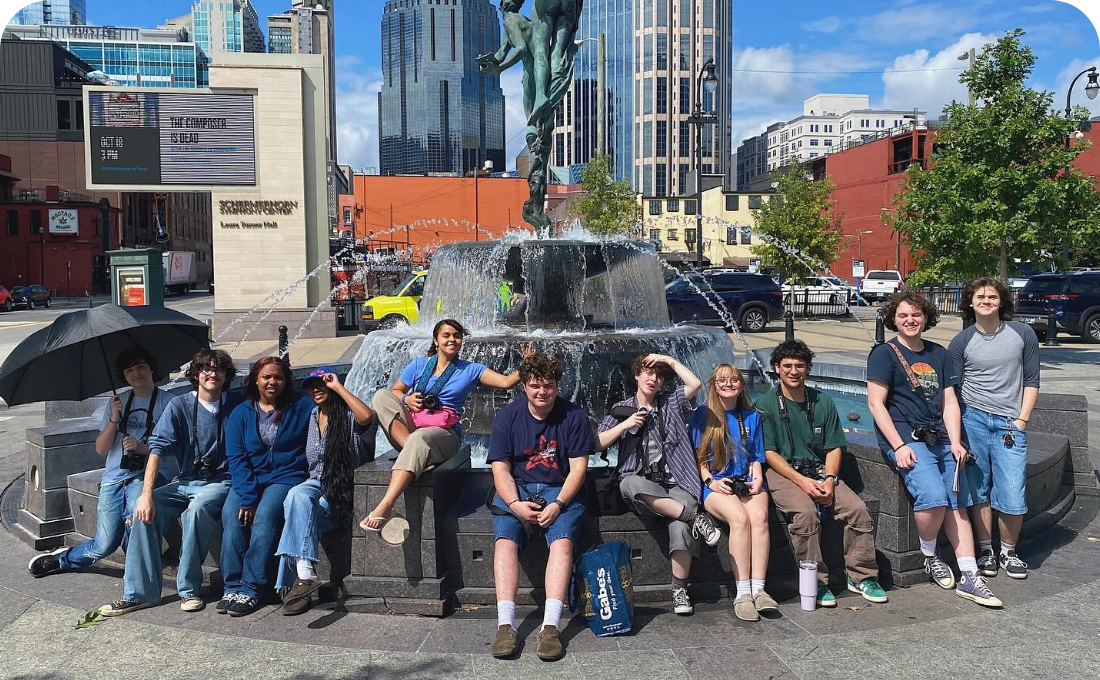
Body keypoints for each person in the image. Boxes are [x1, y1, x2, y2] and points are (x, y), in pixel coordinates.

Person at [868, 292, 1001, 608]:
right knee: (933, 496)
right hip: (906, 437)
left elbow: (950, 402)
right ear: (894, 320)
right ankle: (930, 555)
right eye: (903, 316)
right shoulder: (884, 354)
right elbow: (875, 403)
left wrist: (956, 441)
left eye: (916, 314)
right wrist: (898, 445)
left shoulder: (939, 354)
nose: (910, 320)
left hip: (940, 437)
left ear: (926, 317)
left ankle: (969, 575)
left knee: (958, 502)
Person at [98, 350, 243, 616]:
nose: (212, 374)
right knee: (141, 515)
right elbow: (157, 448)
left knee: (197, 511)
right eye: (205, 369)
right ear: (196, 374)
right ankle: (139, 594)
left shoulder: (237, 404)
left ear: (226, 376)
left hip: (221, 481)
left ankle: (189, 590)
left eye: (218, 369)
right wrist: (146, 494)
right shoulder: (179, 405)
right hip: (184, 480)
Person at [362, 319, 533, 540]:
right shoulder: (418, 365)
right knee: (380, 397)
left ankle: (385, 504)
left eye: (457, 335)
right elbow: (395, 390)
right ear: (436, 339)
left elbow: (507, 382)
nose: (452, 339)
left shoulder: (471, 369)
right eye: (446, 335)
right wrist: (407, 398)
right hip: (411, 431)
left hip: (445, 435)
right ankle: (416, 453)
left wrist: (526, 364)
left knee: (421, 438)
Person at [758, 340, 887, 607]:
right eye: (788, 366)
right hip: (783, 472)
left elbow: (834, 447)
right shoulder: (764, 404)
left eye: (800, 366)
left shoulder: (824, 402)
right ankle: (815, 581)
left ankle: (861, 576)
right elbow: (770, 453)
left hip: (818, 470)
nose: (794, 371)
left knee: (858, 510)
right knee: (805, 515)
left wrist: (829, 479)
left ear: (808, 369)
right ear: (776, 368)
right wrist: (802, 482)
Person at [595, 354, 719, 617]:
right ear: (636, 375)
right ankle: (697, 517)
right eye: (648, 373)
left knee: (679, 523)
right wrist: (625, 426)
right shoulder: (621, 409)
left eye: (658, 375)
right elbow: (596, 443)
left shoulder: (671, 404)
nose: (653, 379)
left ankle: (679, 589)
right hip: (642, 485)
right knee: (629, 484)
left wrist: (669, 361)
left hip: (677, 482)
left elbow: (695, 384)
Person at [29, 348, 170, 579]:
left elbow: (174, 447)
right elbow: (101, 448)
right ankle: (63, 559)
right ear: (123, 376)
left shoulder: (168, 402)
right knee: (104, 544)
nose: (136, 373)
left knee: (135, 521)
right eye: (129, 370)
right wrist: (115, 419)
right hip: (114, 478)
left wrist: (141, 448)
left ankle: (137, 574)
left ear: (151, 368)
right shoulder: (118, 402)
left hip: (145, 477)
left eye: (141, 366)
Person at [486, 353, 590, 661]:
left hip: (561, 490)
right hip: (517, 489)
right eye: (534, 385)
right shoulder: (508, 417)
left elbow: (578, 469)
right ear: (524, 387)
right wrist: (515, 504)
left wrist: (558, 504)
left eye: (548, 385)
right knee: (504, 542)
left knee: (562, 544)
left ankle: (550, 627)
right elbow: (500, 468)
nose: (541, 392)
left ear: (558, 386)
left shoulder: (574, 417)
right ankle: (506, 625)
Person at [951, 277, 1039, 580]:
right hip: (973, 420)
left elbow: (1032, 380)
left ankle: (1009, 551)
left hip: (1009, 424)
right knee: (979, 490)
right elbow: (954, 390)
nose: (986, 301)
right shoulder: (962, 341)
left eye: (992, 296)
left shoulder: (1022, 333)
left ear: (1002, 302)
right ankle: (987, 550)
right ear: (970, 302)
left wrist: (1022, 420)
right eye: (980, 296)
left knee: (1013, 493)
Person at [219, 356, 313, 617]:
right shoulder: (242, 412)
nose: (272, 382)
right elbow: (236, 458)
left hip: (286, 476)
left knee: (265, 517)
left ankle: (252, 588)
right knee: (231, 515)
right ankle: (232, 585)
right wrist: (248, 496)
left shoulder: (301, 407)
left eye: (278, 377)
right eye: (266, 377)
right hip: (249, 477)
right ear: (256, 380)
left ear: (286, 381)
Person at [276, 368, 373, 615]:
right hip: (317, 482)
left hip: (341, 486)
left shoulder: (348, 415)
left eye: (322, 384)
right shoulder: (313, 414)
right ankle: (305, 575)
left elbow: (367, 418)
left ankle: (296, 586)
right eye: (311, 386)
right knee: (297, 502)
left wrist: (338, 387)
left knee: (295, 509)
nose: (316, 389)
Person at [691, 364, 775, 622]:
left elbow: (756, 456)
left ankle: (759, 590)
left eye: (733, 380)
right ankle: (742, 593)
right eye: (721, 381)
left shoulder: (751, 416)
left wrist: (758, 477)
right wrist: (710, 482)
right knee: (740, 519)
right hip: (716, 483)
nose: (728, 384)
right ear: (714, 385)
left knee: (759, 518)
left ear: (741, 384)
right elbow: (698, 457)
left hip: (747, 480)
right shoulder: (703, 414)